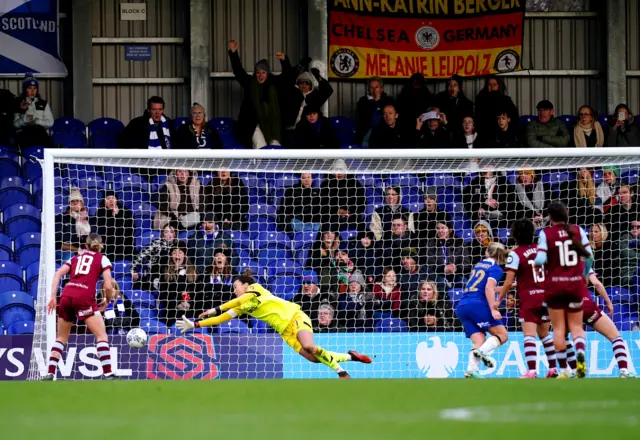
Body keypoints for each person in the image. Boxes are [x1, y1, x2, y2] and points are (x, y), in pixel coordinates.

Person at [176, 270, 373, 379]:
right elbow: (222, 318)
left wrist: (214, 309)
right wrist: (195, 324)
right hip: (284, 332)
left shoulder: (255, 288)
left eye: (235, 287)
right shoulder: (244, 306)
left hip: (295, 316)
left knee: (310, 346)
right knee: (313, 359)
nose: (234, 291)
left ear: (245, 285)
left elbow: (230, 304)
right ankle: (350, 356)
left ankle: (341, 372)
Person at [43, 234, 116, 380]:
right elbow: (108, 285)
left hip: (66, 295)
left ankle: (50, 373)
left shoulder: (76, 257)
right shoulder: (102, 258)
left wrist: (52, 296)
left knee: (61, 337)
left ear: (86, 245)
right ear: (101, 245)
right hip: (83, 297)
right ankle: (108, 373)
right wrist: (107, 300)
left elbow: (58, 273)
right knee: (101, 335)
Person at [534, 200, 593, 379]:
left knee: (559, 328)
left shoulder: (546, 233)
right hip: (575, 284)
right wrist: (584, 274)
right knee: (576, 325)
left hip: (555, 286)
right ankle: (580, 351)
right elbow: (589, 257)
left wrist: (538, 266)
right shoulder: (578, 230)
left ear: (550, 217)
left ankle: (565, 370)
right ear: (566, 213)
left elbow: (539, 259)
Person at [499, 219, 558, 379]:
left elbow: (509, 281)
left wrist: (499, 300)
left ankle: (532, 371)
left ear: (515, 235)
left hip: (529, 298)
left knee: (529, 336)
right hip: (546, 296)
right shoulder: (541, 250)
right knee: (545, 335)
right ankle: (553, 369)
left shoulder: (515, 254)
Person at [565, 270, 635, 378]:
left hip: (570, 307)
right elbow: (597, 283)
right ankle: (624, 371)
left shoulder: (557, 264)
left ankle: (575, 369)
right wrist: (608, 302)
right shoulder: (584, 262)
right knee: (616, 337)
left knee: (563, 336)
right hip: (588, 306)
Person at [455, 242, 509, 378]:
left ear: (487, 252)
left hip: (463, 305)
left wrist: (510, 286)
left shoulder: (479, 265)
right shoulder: (496, 269)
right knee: (503, 335)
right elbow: (488, 288)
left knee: (479, 340)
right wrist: (493, 309)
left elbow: (485, 287)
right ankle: (482, 352)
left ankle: (471, 370)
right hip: (477, 305)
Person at [227, 40, 291, 148]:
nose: (260, 76)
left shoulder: (275, 83)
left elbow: (288, 76)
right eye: (258, 73)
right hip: (254, 125)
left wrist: (284, 60)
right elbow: (238, 71)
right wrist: (233, 53)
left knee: (275, 149)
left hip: (273, 127)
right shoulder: (250, 83)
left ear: (267, 73)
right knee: (261, 147)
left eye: (263, 73)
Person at [283, 67, 334, 140]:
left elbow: (328, 90)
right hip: (289, 129)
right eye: (301, 83)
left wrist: (318, 77)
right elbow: (286, 81)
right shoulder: (292, 95)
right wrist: (299, 67)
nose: (304, 85)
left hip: (307, 131)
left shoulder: (315, 96)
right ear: (297, 85)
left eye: (307, 83)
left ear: (311, 85)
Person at [157, 241, 199, 327]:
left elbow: (198, 292)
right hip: (172, 311)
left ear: (184, 255)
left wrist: (190, 304)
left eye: (180, 252)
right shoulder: (165, 273)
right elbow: (164, 294)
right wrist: (177, 305)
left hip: (191, 309)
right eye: (174, 253)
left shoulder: (193, 272)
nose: (177, 255)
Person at [319, 159, 366, 231]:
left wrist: (349, 211)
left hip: (352, 216)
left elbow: (362, 202)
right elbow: (322, 204)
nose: (339, 173)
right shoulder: (326, 184)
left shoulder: (354, 183)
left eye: (342, 170)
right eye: (337, 170)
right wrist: (337, 211)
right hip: (331, 217)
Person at [13, 73, 54, 149]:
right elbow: (15, 125)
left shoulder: (43, 103)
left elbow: (50, 122)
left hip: (40, 132)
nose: (32, 91)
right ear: (25, 90)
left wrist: (37, 121)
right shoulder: (19, 103)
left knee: (39, 131)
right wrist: (24, 119)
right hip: (25, 133)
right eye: (29, 88)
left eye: (34, 88)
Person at [131, 224, 177, 291]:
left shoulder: (179, 246)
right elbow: (140, 256)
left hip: (172, 275)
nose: (168, 234)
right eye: (166, 232)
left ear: (175, 234)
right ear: (163, 234)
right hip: (155, 274)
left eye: (171, 232)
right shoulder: (156, 243)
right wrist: (133, 270)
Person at [93, 191, 135, 262]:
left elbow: (130, 229)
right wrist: (113, 217)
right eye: (108, 198)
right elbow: (103, 231)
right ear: (104, 200)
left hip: (125, 246)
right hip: (108, 247)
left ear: (116, 200)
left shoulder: (126, 211)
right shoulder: (100, 213)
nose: (111, 200)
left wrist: (118, 216)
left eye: (113, 198)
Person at [55, 187, 92, 263]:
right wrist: (77, 250)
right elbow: (58, 242)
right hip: (68, 251)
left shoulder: (90, 218)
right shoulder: (60, 218)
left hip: (87, 251)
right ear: (69, 204)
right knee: (69, 257)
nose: (75, 203)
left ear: (82, 203)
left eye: (78, 201)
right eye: (72, 201)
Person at [355, 76, 393, 146]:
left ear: (381, 89)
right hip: (367, 132)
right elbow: (363, 115)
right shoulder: (363, 101)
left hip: (385, 132)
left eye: (376, 87)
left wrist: (379, 100)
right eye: (371, 87)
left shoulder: (389, 100)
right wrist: (375, 100)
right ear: (368, 89)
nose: (374, 89)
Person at [589, 223, 619, 287]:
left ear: (603, 232)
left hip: (607, 281)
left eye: (596, 232)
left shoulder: (611, 247)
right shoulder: (588, 248)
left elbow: (611, 268)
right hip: (590, 280)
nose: (593, 234)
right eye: (591, 232)